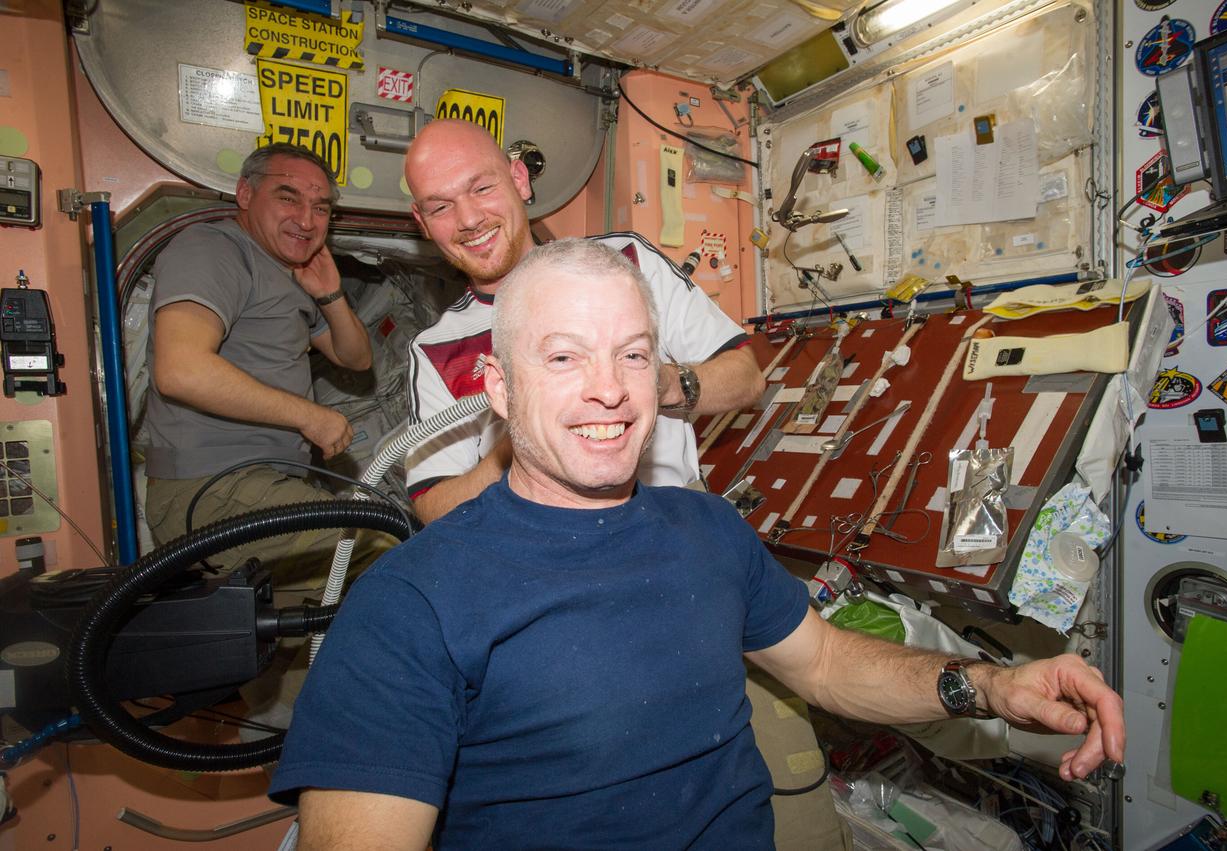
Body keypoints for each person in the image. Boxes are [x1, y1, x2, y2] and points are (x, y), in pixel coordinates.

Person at [269, 240, 1126, 850]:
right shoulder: (410, 602)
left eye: (632, 356)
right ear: (498, 386)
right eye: (564, 358)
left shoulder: (706, 527)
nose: (608, 390)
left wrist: (990, 685)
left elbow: (826, 662)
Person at [401, 119, 766, 524]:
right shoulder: (437, 350)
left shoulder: (625, 263)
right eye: (440, 207)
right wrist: (519, 443)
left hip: (672, 525)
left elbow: (747, 378)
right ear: (422, 222)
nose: (468, 219)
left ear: (519, 179)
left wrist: (658, 382)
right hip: (543, 549)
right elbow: (433, 508)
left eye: (482, 188)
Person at [142, 143, 375, 589]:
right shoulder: (213, 250)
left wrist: (330, 294)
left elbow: (356, 358)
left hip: (258, 482)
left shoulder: (287, 274)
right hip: (213, 486)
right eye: (288, 198)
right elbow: (181, 370)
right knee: (378, 546)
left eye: (320, 208)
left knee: (305, 620)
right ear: (245, 194)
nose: (306, 220)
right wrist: (309, 416)